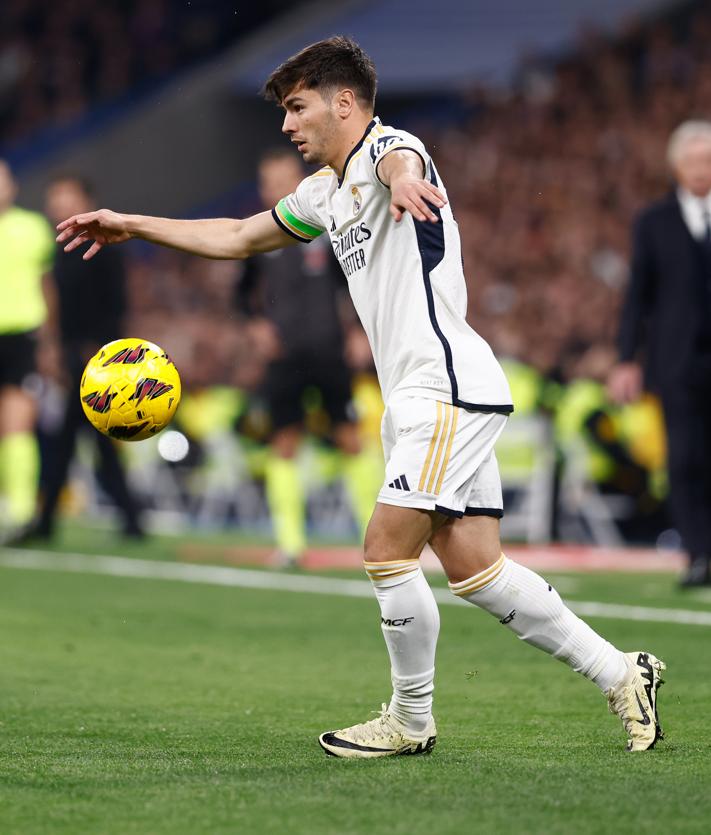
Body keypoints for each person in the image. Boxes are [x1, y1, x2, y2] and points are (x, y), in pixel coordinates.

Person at [56, 36, 665, 756]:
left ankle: (410, 719)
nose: (287, 125)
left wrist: (405, 178)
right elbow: (238, 235)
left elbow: (397, 160)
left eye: (297, 106)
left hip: (443, 386)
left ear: (345, 102)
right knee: (477, 570)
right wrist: (133, 224)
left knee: (384, 549)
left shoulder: (391, 150)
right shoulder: (322, 192)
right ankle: (620, 671)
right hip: (419, 395)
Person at [236, 149, 374, 563]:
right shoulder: (262, 235)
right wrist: (256, 325)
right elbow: (241, 296)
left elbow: (354, 280)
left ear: (299, 179)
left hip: (330, 348)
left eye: (282, 176)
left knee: (351, 438)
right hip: (284, 355)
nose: (275, 185)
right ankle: (290, 543)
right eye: (268, 179)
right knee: (284, 441)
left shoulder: (327, 226)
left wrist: (357, 331)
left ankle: (377, 539)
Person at [608, 120, 711, 587]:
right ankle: (698, 553)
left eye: (706, 160)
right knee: (685, 458)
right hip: (677, 361)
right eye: (692, 160)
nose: (700, 169)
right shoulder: (653, 221)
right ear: (675, 166)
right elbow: (638, 297)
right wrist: (627, 357)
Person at [23, 174, 143, 541]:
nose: (59, 203)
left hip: (99, 359)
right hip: (72, 357)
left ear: (86, 200)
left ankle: (48, 522)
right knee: (85, 442)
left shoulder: (106, 246)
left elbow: (118, 306)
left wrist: (103, 352)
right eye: (54, 197)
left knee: (73, 441)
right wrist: (54, 348)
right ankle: (129, 520)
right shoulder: (57, 251)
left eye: (66, 196)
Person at [0, 159, 54, 539]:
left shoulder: (32, 228)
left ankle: (18, 512)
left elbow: (47, 285)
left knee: (17, 424)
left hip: (21, 336)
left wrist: (49, 340)